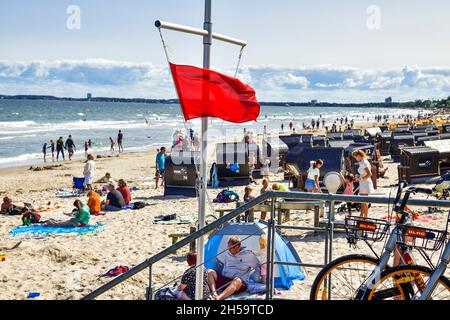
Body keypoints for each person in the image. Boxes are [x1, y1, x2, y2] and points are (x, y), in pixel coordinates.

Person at [352, 150, 374, 218]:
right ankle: (362, 215)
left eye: (356, 157)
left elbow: (369, 174)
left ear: (359, 156)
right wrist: (358, 177)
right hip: (363, 182)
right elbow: (363, 173)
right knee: (362, 201)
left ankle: (365, 217)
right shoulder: (361, 162)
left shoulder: (364, 162)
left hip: (365, 183)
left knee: (364, 201)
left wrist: (360, 179)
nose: (355, 158)